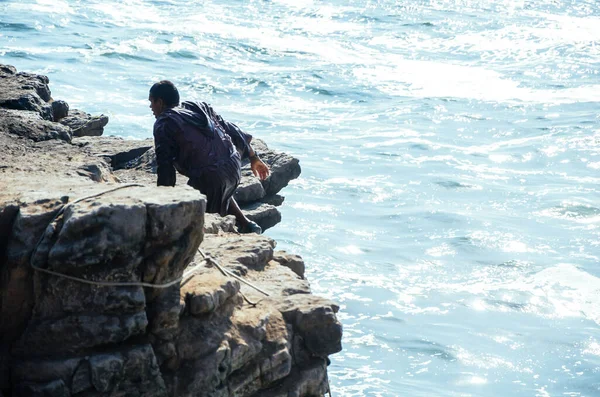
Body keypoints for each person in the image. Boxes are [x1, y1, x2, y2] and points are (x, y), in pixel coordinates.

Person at [148, 80, 270, 233]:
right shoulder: (198, 106)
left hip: (210, 177)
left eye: (151, 102)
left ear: (160, 102)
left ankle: (235, 239)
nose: (150, 107)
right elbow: (231, 129)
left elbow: (165, 166)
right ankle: (246, 224)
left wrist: (164, 204)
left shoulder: (164, 122)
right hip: (233, 166)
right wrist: (253, 157)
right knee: (218, 186)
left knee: (202, 225)